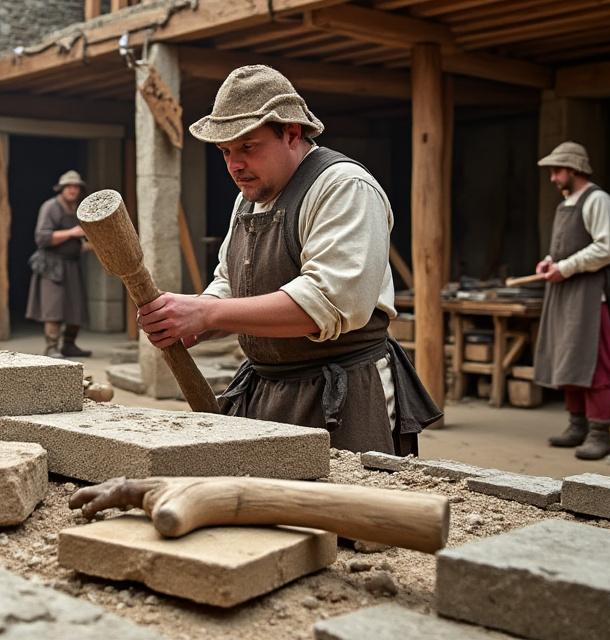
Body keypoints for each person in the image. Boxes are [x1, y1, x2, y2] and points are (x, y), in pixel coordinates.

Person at [134, 65, 441, 454]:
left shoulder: (344, 187)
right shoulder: (250, 195)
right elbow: (230, 281)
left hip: (342, 395)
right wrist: (197, 317)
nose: (234, 165)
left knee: (342, 508)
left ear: (292, 133)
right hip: (266, 388)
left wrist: (207, 314)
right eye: (225, 152)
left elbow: (325, 301)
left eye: (248, 147)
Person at [533, 141, 610, 460]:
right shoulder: (568, 201)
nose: (553, 177)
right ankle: (578, 425)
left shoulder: (598, 200)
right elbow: (566, 245)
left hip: (589, 292)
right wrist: (549, 261)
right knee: (568, 354)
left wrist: (565, 267)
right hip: (565, 290)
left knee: (592, 359)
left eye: (557, 171)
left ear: (573, 169)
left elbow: (607, 248)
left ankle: (600, 431)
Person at [26, 170, 90, 358]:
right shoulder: (51, 207)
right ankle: (51, 347)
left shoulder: (76, 208)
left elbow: (80, 241)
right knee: (53, 307)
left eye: (76, 186)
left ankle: (69, 345)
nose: (72, 190)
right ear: (62, 189)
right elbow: (42, 237)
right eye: (68, 186)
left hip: (71, 263)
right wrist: (71, 233)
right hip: (51, 265)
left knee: (75, 306)